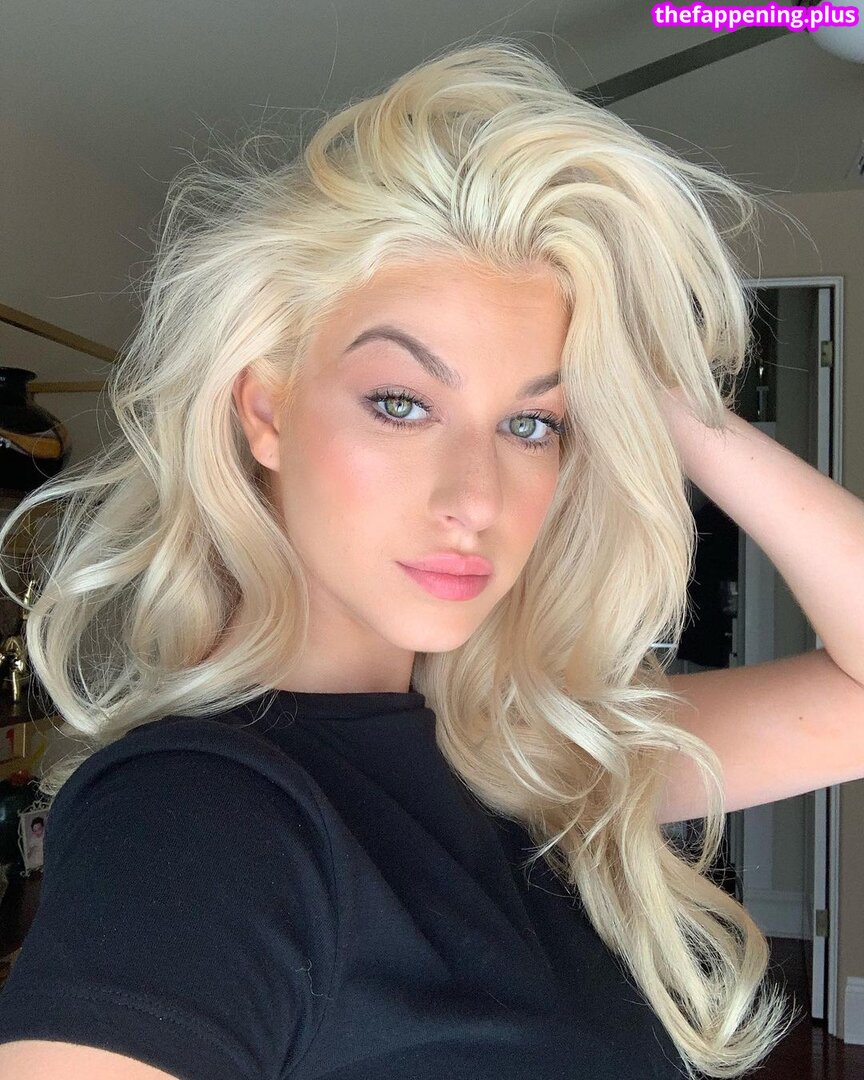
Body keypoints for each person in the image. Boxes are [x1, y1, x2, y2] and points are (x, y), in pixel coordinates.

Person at [0, 38, 862, 1080]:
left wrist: (657, 394)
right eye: (401, 403)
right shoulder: (196, 815)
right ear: (266, 413)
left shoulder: (535, 755)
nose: (475, 500)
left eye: (532, 423)